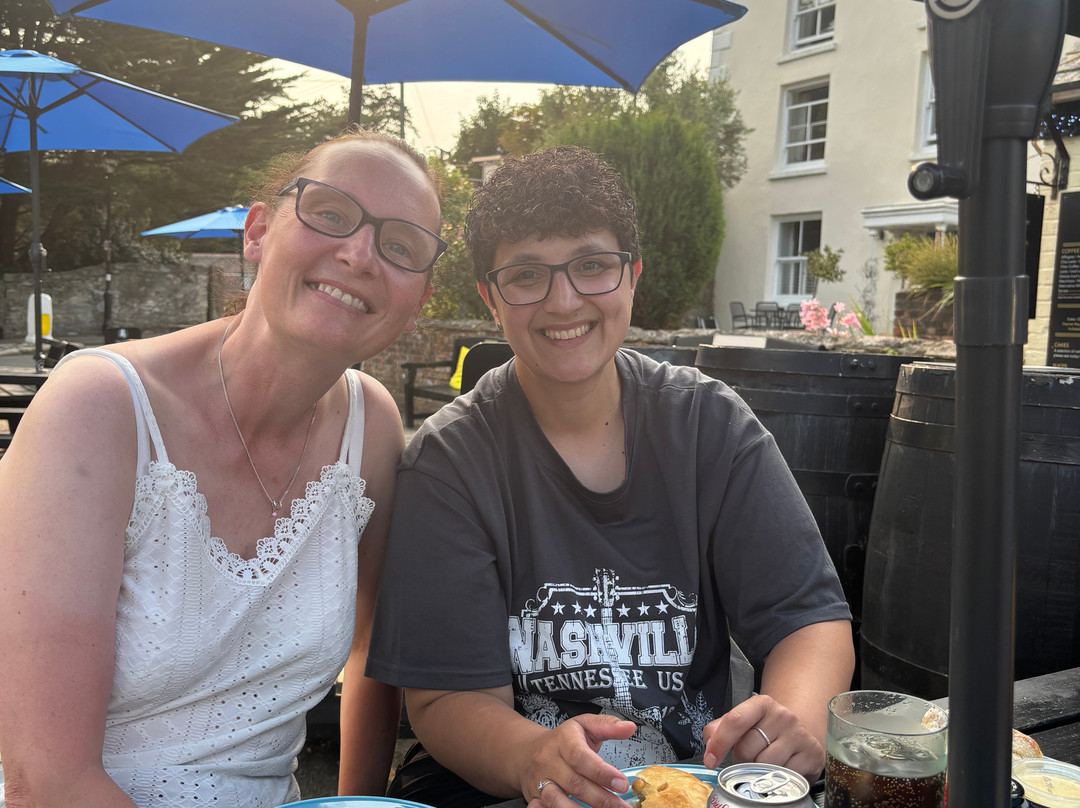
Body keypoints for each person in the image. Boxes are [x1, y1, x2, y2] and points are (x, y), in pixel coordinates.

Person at [365, 146, 855, 808]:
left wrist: (791, 730)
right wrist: (533, 757)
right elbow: (446, 699)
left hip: (695, 783)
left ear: (632, 275)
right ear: (490, 298)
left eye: (592, 266)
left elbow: (807, 619)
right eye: (526, 275)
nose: (564, 301)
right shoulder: (450, 461)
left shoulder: (709, 425)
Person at [0, 128, 445, 808]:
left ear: (417, 304)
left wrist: (354, 801)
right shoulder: (100, 408)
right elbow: (45, 780)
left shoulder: (371, 427)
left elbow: (371, 652)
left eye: (402, 247)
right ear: (258, 232)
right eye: (331, 213)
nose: (359, 254)